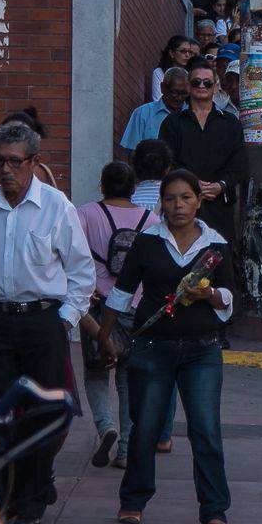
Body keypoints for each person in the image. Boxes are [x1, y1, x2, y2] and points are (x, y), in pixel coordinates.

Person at [0, 119, 96, 524]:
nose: (5, 170)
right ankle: (5, 492)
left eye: (14, 162)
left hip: (42, 322)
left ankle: (32, 499)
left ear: (34, 162)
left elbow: (81, 271)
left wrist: (64, 321)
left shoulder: (57, 207)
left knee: (42, 414)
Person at [106, 169, 236, 524]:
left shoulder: (216, 244)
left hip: (202, 351)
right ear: (161, 203)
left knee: (206, 429)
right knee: (144, 427)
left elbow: (229, 297)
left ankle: (214, 510)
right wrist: (104, 334)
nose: (178, 206)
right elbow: (123, 290)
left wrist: (208, 295)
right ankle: (133, 500)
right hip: (152, 347)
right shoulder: (147, 240)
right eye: (170, 199)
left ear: (199, 200)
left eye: (186, 198)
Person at [81, 161, 150, 470]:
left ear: (102, 186)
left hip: (97, 307)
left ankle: (105, 426)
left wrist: (88, 288)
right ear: (134, 188)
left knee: (96, 372)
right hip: (135, 306)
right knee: (127, 379)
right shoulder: (151, 219)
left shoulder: (84, 214)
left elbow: (72, 257)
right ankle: (125, 450)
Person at [162, 60, 247, 234]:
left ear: (216, 86)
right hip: (182, 203)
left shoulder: (231, 123)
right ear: (188, 85)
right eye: (196, 82)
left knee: (218, 256)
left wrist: (221, 185)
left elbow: (239, 164)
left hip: (220, 205)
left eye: (207, 82)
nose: (202, 85)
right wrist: (190, 183)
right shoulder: (172, 122)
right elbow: (167, 161)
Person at [120, 68, 190, 159]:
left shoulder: (192, 116)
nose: (179, 98)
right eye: (175, 92)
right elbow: (133, 154)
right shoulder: (142, 114)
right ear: (162, 88)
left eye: (184, 93)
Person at [151, 36, 198, 101]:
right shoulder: (160, 72)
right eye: (183, 51)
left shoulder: (192, 73)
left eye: (189, 52)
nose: (187, 55)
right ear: (172, 53)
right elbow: (158, 100)